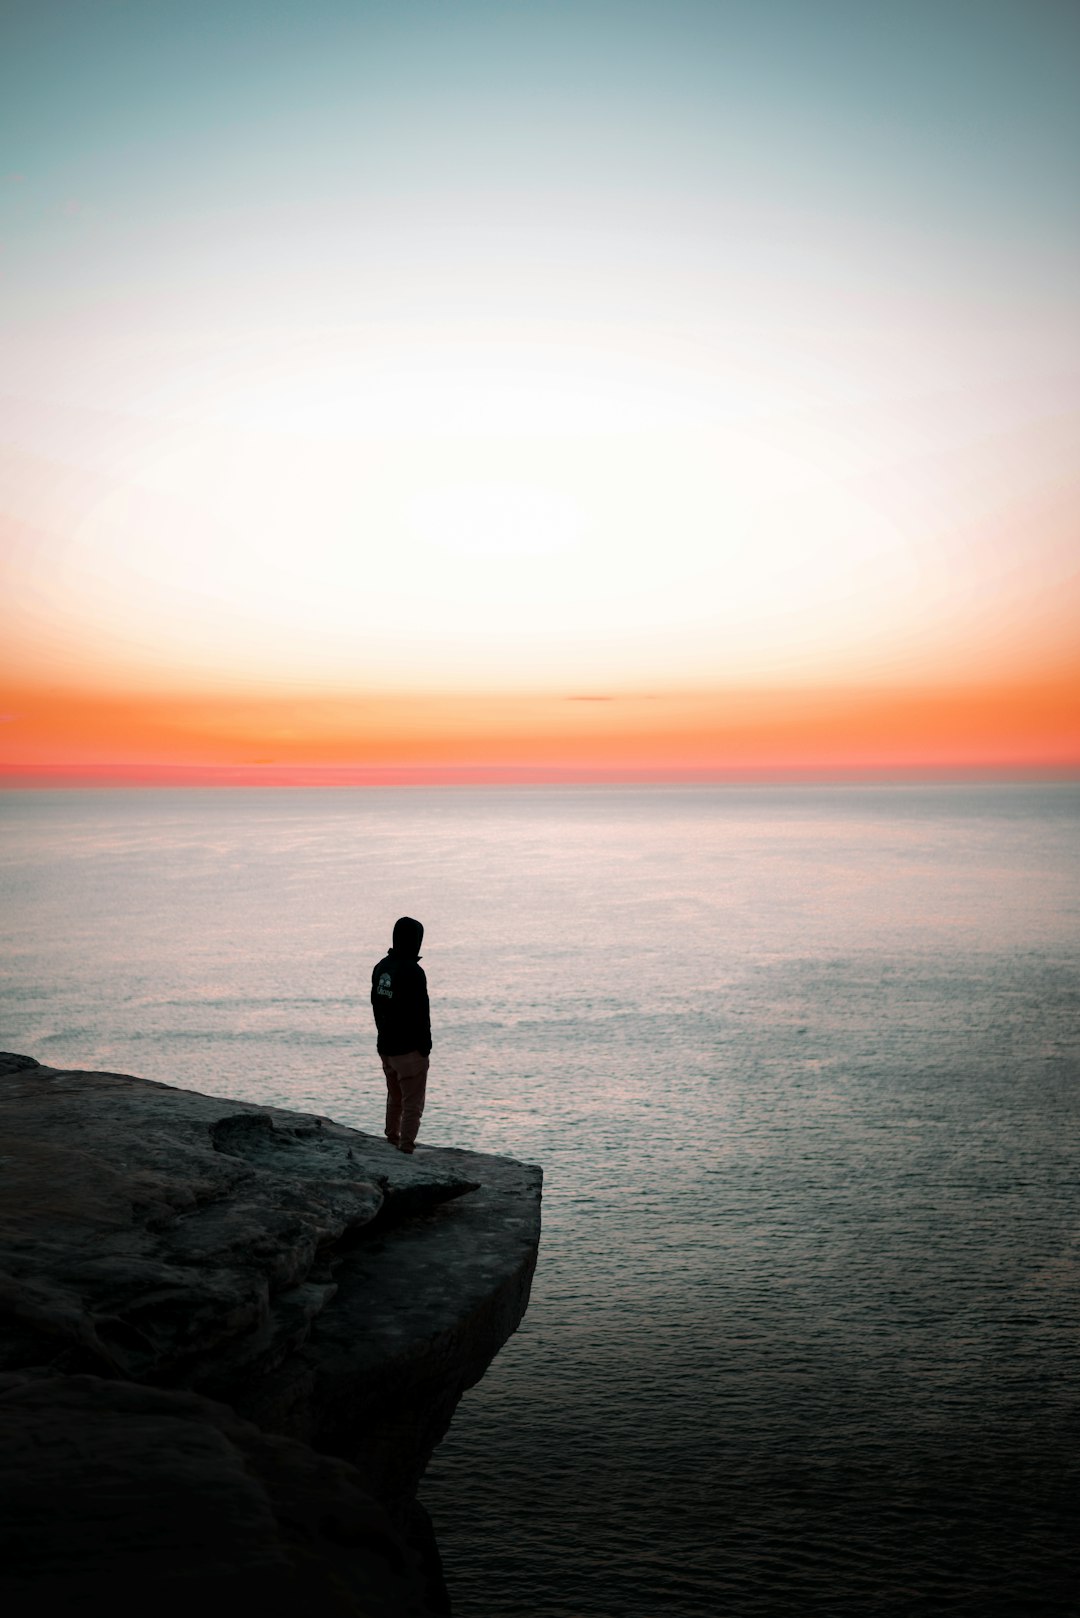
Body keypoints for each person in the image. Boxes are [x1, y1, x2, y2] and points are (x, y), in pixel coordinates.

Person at [370, 915, 431, 1154]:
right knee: (412, 1103)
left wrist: (382, 1037)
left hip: (386, 1046)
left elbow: (376, 1005)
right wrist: (425, 1048)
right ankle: (405, 1148)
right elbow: (421, 1013)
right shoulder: (414, 972)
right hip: (409, 1049)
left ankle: (391, 1139)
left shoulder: (381, 967)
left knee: (394, 1096)